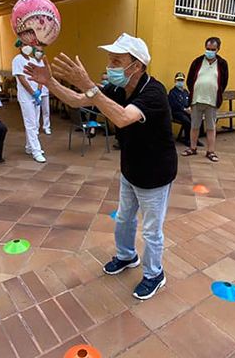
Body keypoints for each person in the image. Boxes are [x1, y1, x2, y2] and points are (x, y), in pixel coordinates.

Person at [24, 33, 177, 300]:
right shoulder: (118, 88)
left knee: (152, 230)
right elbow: (78, 100)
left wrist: (90, 87)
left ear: (137, 66)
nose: (111, 66)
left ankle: (155, 274)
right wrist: (49, 82)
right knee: (125, 218)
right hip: (131, 168)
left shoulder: (154, 91)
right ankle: (127, 256)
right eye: (110, 60)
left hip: (155, 173)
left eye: (117, 61)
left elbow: (121, 117)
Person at [183, 37, 228, 162]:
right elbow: (190, 79)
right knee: (194, 126)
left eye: (213, 49)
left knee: (211, 127)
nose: (210, 51)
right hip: (197, 99)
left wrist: (216, 92)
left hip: (212, 101)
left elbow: (224, 82)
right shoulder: (197, 62)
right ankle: (192, 148)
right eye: (208, 49)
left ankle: (211, 151)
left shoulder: (222, 63)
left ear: (218, 49)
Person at [12, 40, 46, 162]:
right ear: (19, 46)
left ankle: (29, 147)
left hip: (37, 95)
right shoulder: (17, 60)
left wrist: (39, 91)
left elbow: (41, 77)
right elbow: (21, 78)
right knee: (30, 123)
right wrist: (32, 93)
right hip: (26, 96)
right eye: (24, 45)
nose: (27, 47)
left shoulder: (32, 60)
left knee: (36, 123)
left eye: (29, 45)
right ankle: (36, 151)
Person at [167, 72, 204, 147]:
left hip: (187, 111)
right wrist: (184, 109)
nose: (180, 82)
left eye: (181, 80)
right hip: (177, 112)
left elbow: (190, 101)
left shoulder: (185, 92)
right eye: (178, 80)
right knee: (187, 121)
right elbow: (174, 105)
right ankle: (187, 139)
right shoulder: (172, 92)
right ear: (175, 81)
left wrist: (190, 108)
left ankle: (195, 139)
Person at [32, 46, 52, 135]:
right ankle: (36, 128)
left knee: (46, 110)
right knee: (36, 110)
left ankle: (46, 127)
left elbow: (49, 74)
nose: (39, 53)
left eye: (41, 51)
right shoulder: (31, 62)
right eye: (37, 51)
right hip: (35, 89)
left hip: (44, 89)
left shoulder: (44, 62)